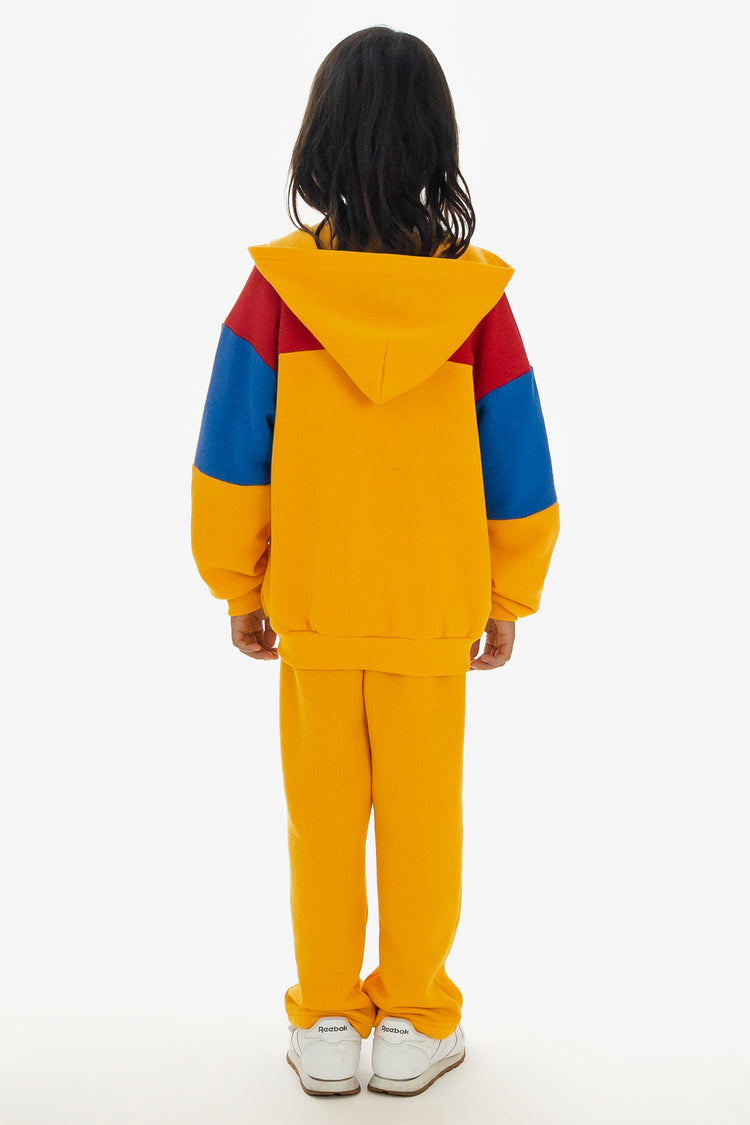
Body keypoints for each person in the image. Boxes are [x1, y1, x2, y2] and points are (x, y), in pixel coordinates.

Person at [191, 25, 560, 1099]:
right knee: (423, 822)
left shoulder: (274, 296)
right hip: (433, 614)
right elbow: (519, 465)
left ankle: (323, 1020)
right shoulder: (476, 306)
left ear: (320, 140)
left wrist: (238, 583)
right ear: (438, 144)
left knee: (321, 823)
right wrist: (509, 593)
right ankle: (413, 1020)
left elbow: (230, 455)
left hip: (314, 607)